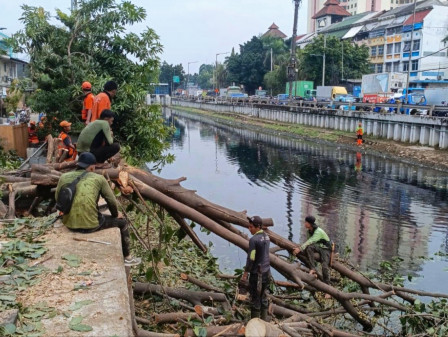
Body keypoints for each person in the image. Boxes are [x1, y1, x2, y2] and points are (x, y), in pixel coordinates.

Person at [55, 152, 141, 266]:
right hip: (90, 226)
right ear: (91, 166)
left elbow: (58, 198)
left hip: (69, 224)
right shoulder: (99, 178)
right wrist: (115, 215)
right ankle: (128, 258)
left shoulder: (63, 177)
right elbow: (111, 201)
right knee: (123, 223)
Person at [242, 216, 270, 320]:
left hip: (257, 273)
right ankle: (264, 321)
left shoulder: (253, 240)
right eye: (248, 227)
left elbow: (251, 258)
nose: (249, 229)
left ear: (258, 227)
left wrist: (245, 273)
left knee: (255, 299)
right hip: (267, 271)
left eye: (251, 227)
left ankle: (255, 324)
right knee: (263, 297)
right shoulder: (267, 236)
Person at [293, 216, 332, 286]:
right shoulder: (309, 231)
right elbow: (309, 243)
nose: (304, 224)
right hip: (318, 246)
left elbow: (311, 241)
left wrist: (299, 249)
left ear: (309, 224)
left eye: (306, 222)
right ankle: (313, 268)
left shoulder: (318, 231)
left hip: (325, 248)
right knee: (309, 248)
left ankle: (328, 285)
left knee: (324, 266)